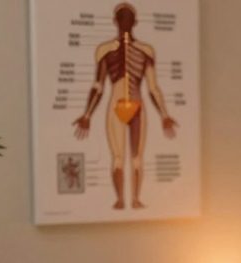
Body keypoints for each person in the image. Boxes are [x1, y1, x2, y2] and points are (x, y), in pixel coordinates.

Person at [73, 2, 177, 209]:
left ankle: (136, 199)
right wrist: (87, 115)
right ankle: (121, 199)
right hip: (116, 105)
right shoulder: (105, 50)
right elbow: (98, 86)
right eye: (122, 18)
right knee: (119, 158)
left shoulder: (146, 51)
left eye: (128, 18)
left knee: (137, 158)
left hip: (137, 106)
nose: (125, 23)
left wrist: (165, 115)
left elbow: (153, 87)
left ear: (135, 22)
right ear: (115, 21)